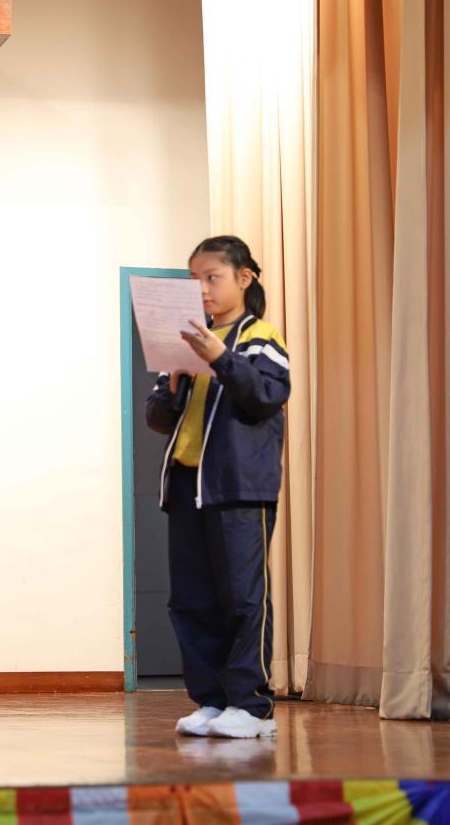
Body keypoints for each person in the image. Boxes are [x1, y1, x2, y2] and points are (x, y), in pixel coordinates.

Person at [144, 235, 290, 740]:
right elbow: (157, 417)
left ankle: (251, 706)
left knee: (243, 598)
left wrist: (222, 357)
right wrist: (174, 383)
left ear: (243, 278)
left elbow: (266, 395)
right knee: (191, 600)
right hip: (188, 484)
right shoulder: (186, 338)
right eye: (194, 279)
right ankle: (211, 700)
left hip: (239, 488)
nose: (202, 289)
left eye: (213, 277)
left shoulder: (261, 337)